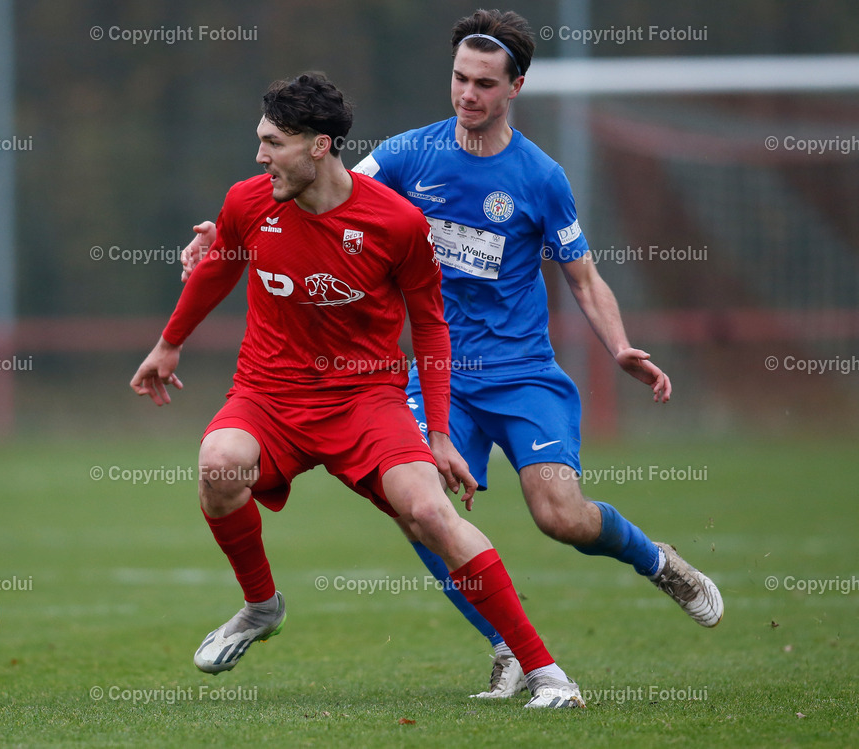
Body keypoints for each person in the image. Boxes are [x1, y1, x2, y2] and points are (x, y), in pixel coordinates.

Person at [180, 11, 724, 700]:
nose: (468, 94)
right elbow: (309, 187)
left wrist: (619, 346)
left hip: (521, 372)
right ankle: (508, 648)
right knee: (421, 509)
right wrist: (224, 231)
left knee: (559, 514)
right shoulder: (407, 155)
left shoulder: (541, 176)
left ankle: (656, 560)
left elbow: (583, 276)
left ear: (515, 88)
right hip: (437, 377)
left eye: (485, 84)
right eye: (460, 78)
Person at [131, 72, 585, 708]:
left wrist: (438, 434)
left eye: (273, 143)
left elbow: (431, 327)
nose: (260, 156)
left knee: (430, 513)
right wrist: (169, 343)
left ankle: (546, 673)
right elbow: (218, 269)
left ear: (319, 146)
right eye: (260, 141)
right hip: (270, 393)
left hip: (367, 400)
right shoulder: (247, 203)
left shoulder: (396, 223)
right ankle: (261, 606)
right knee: (219, 464)